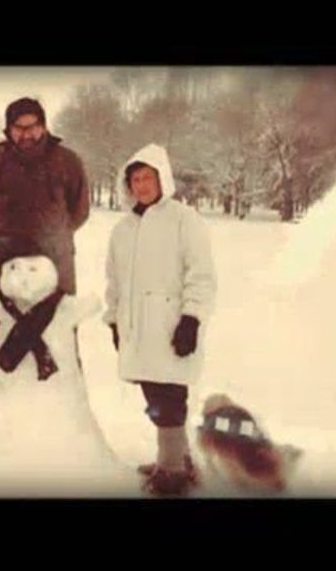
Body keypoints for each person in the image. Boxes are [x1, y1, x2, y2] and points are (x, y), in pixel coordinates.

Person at [102, 143, 217, 497]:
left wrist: (191, 319)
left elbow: (200, 274)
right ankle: (178, 458)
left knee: (169, 396)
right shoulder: (122, 229)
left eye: (148, 177)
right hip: (136, 327)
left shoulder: (185, 219)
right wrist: (114, 321)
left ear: (162, 178)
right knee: (153, 394)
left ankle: (171, 472)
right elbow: (114, 280)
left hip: (170, 326)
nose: (141, 185)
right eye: (135, 179)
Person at [0, 97, 90, 345]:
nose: (27, 134)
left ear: (44, 126)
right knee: (9, 334)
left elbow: (79, 210)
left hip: (57, 260)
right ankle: (8, 381)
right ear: (8, 130)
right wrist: (5, 239)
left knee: (59, 333)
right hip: (6, 262)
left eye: (33, 126)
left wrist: (53, 237)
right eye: (19, 128)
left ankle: (63, 381)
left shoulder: (68, 162)